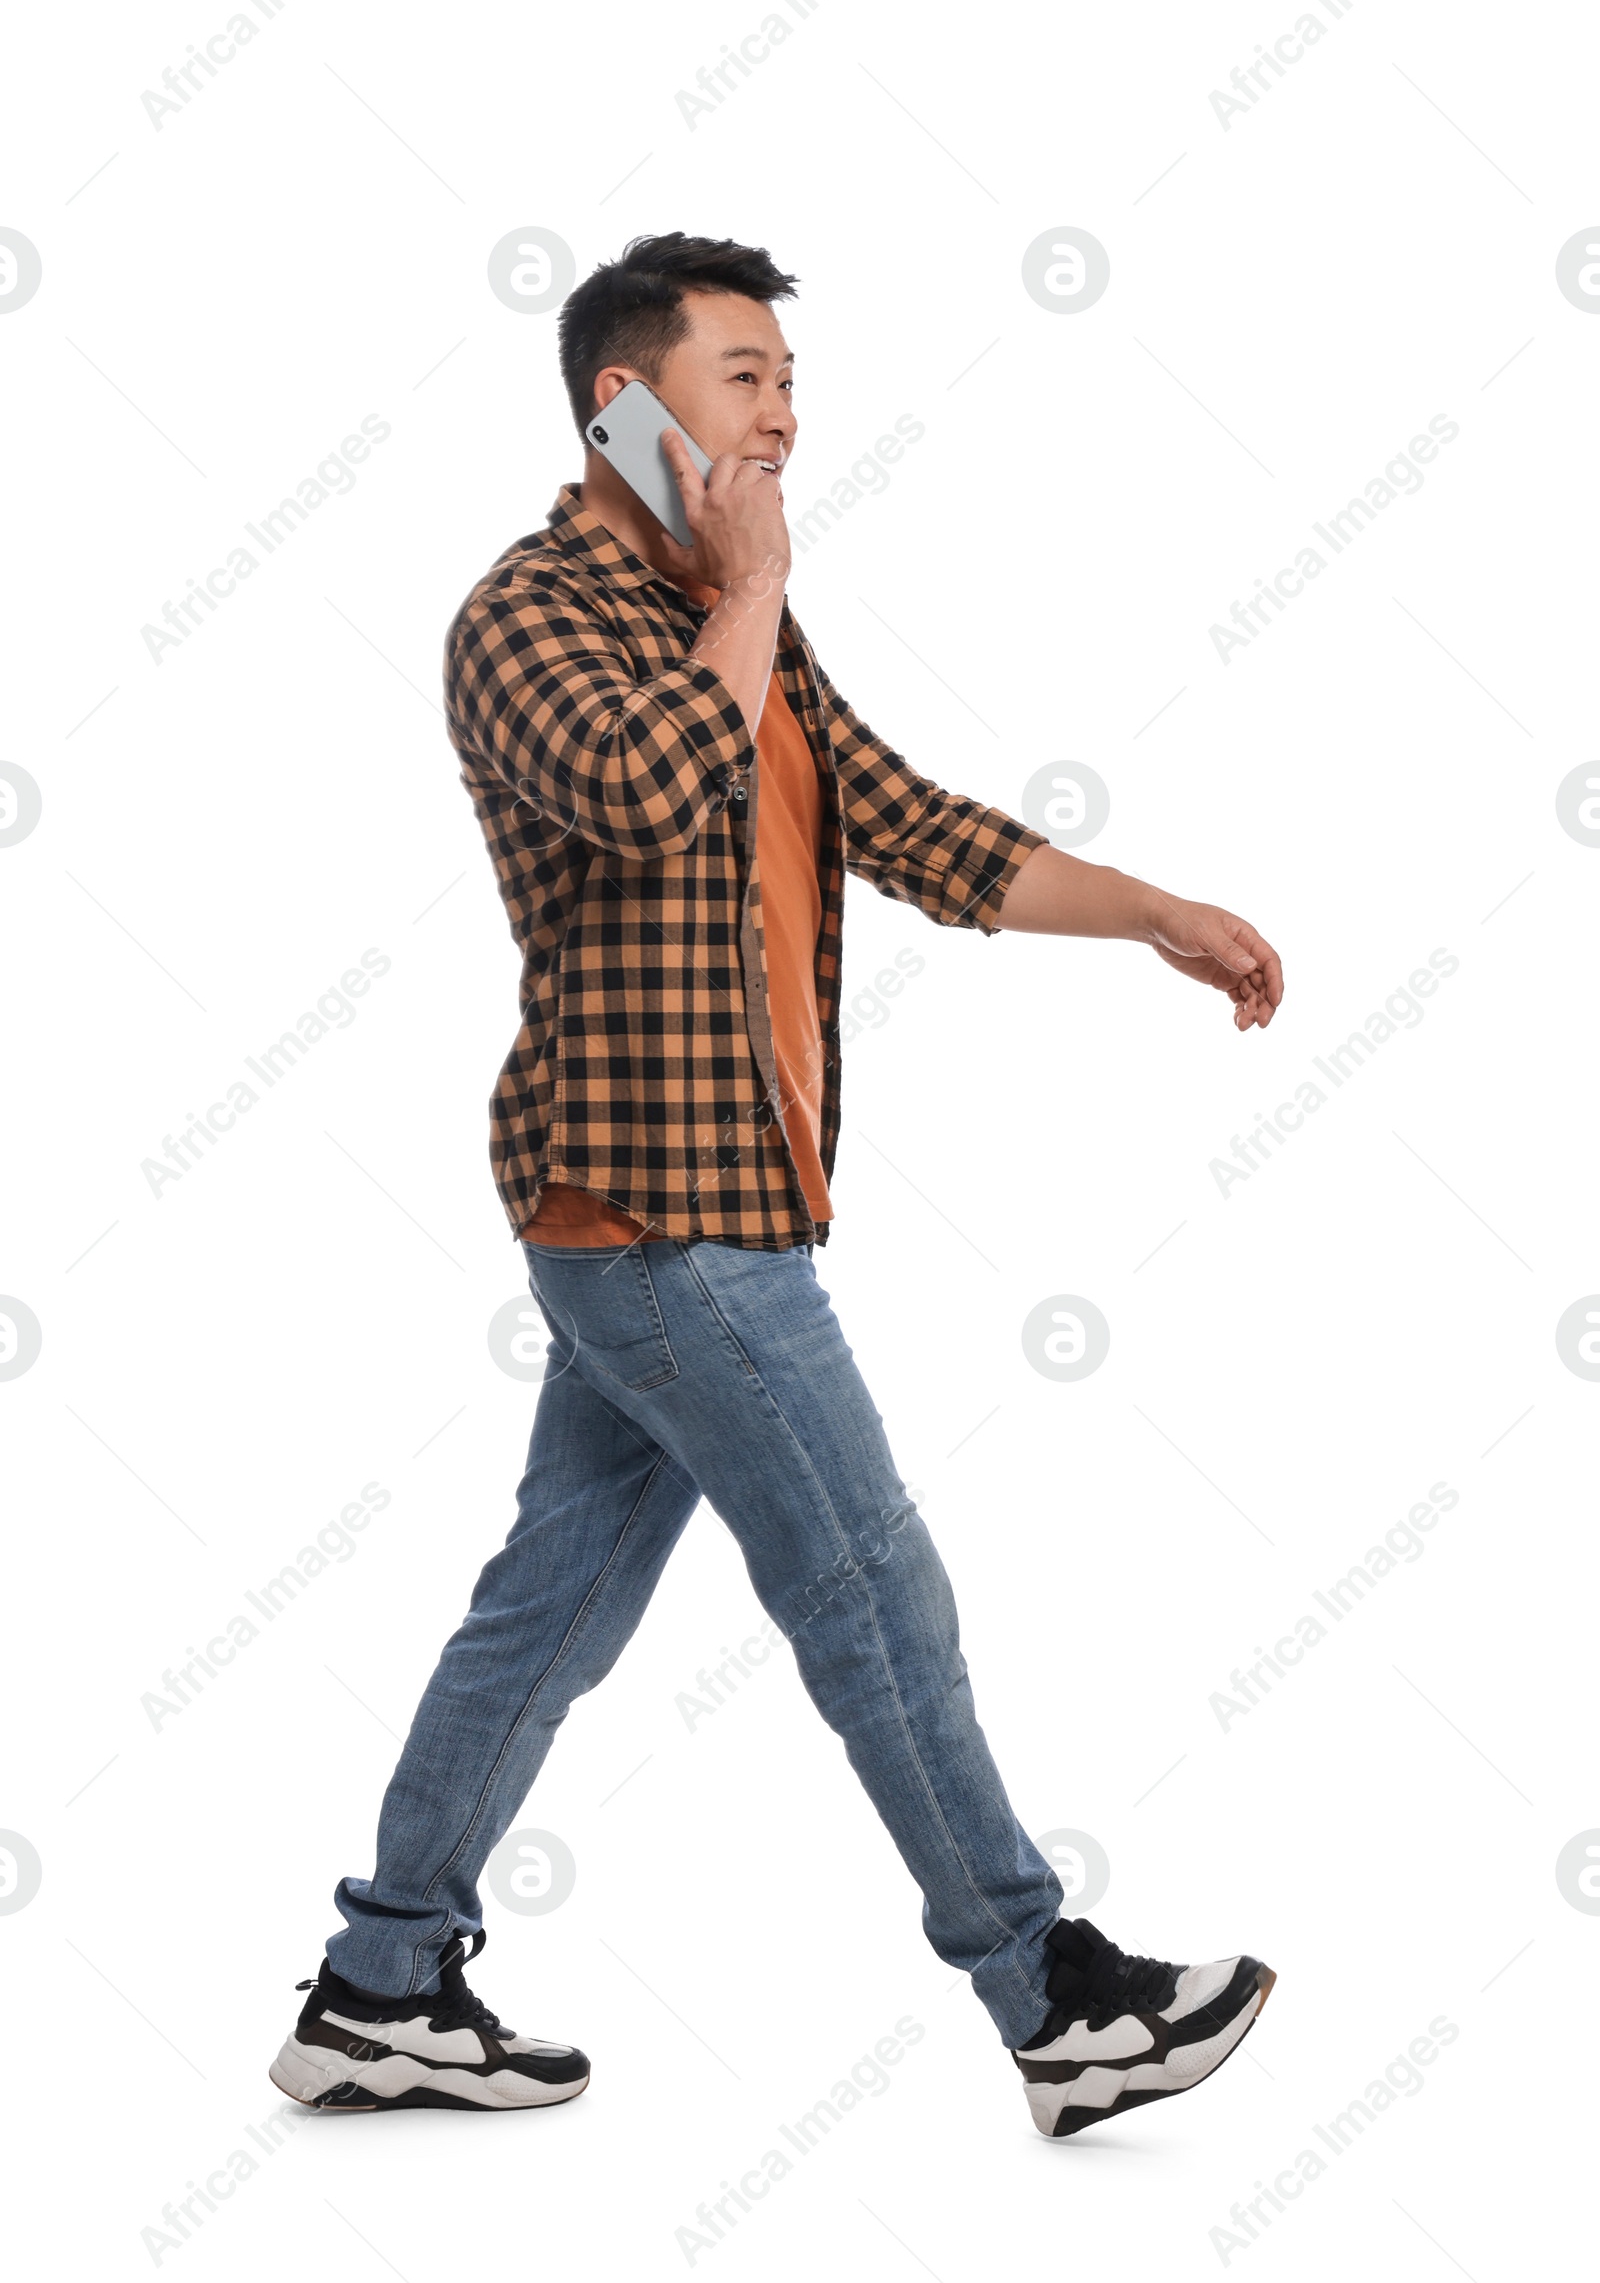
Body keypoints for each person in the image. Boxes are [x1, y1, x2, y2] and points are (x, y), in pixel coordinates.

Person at [268, 232, 1283, 2137]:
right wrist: (747, 590)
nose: (786, 418)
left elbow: (902, 821)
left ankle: (380, 1982)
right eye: (746, 380)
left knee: (545, 1612)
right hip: (665, 1221)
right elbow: (662, 788)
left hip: (707, 1212)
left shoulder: (738, 613)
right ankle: (1052, 1995)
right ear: (625, 405)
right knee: (870, 1583)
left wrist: (1153, 911)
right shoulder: (534, 616)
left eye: (790, 384)